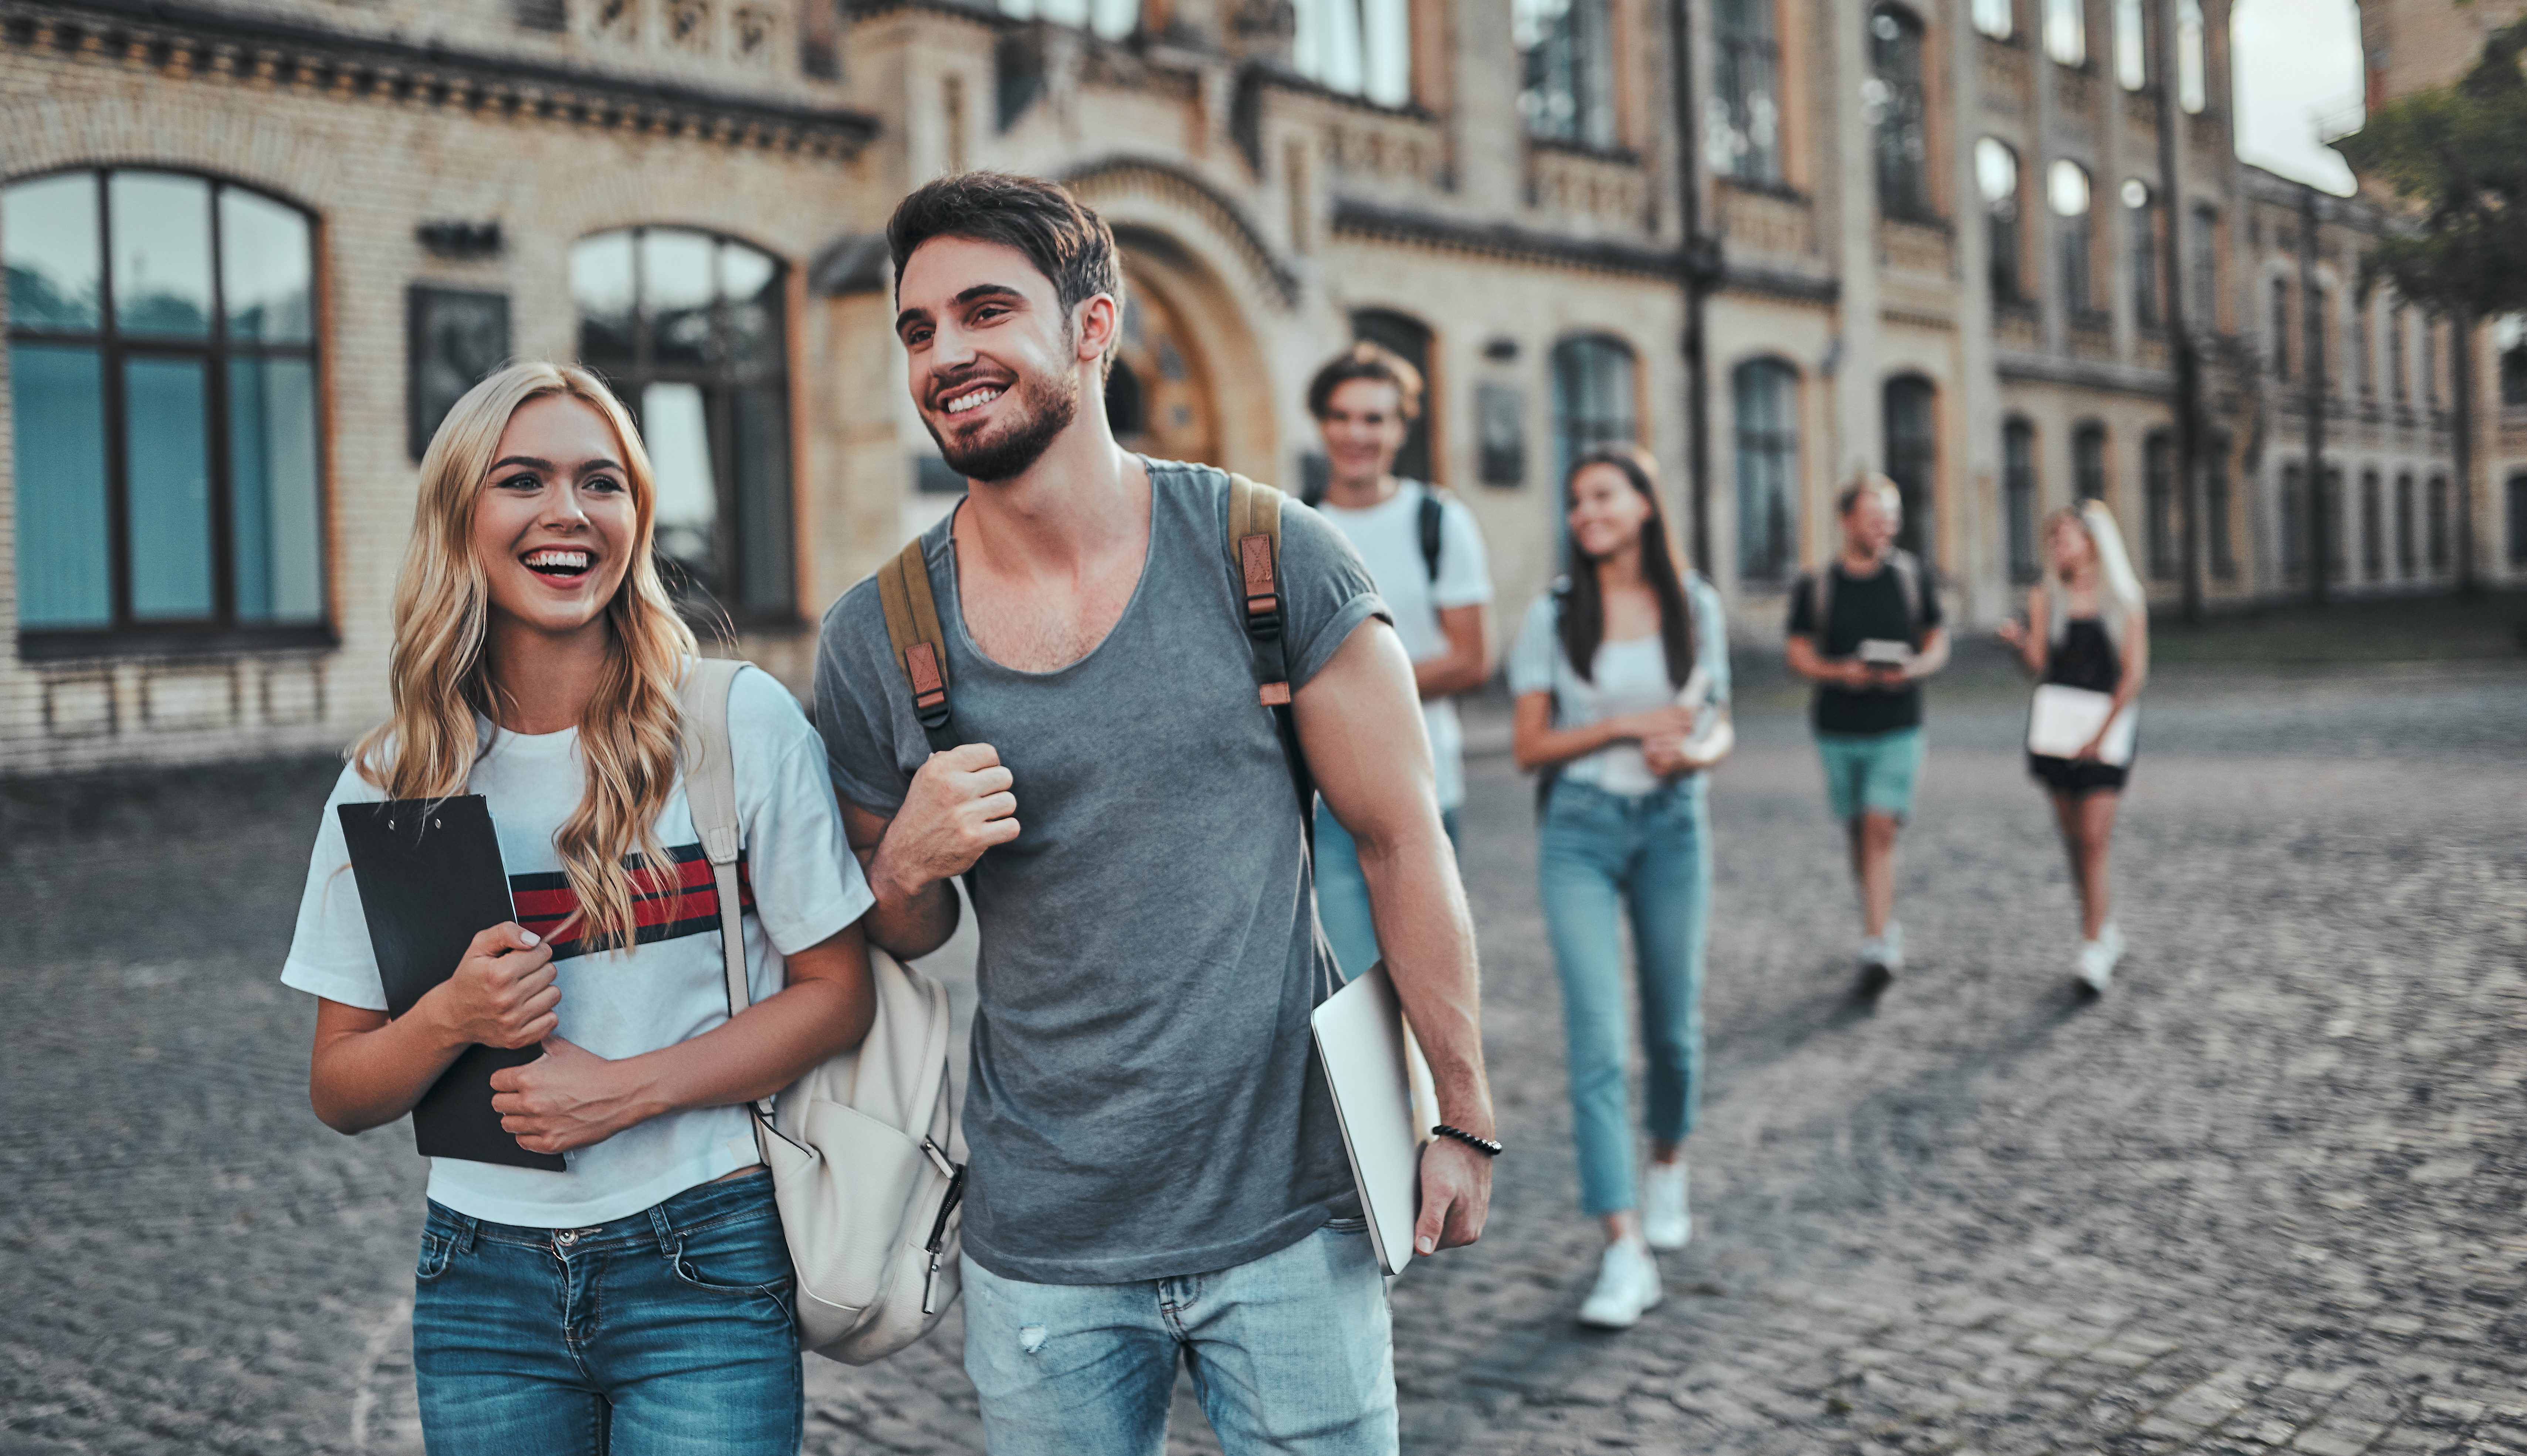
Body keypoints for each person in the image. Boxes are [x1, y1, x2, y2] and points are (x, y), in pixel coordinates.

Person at [814, 172, 1494, 1456]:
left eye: (983, 311)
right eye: (917, 330)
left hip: (1292, 1219)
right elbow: (898, 933)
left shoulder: (1267, 555)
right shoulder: (877, 637)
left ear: (1091, 327)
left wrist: (1459, 1110)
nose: (946, 354)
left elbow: (1403, 839)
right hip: (1046, 1250)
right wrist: (903, 862)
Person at [280, 362, 878, 1455]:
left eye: (600, 482)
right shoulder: (395, 775)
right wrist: (449, 1017)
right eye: (524, 480)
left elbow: (836, 995)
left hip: (705, 1255)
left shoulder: (733, 724)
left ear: (636, 516)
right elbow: (340, 1087)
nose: (568, 512)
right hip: (480, 1281)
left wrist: (623, 1093)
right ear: (462, 513)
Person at [1508, 446, 1732, 1332]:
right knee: (1598, 1039)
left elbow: (1715, 724)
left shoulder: (1694, 604)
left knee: (1673, 1030)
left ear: (1644, 502)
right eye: (1575, 500)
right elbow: (1529, 745)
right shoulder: (1555, 613)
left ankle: (1668, 1162)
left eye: (1603, 494)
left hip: (1675, 825)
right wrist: (1625, 725)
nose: (1586, 511)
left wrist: (1693, 750)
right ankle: (1621, 1244)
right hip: (1581, 835)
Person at [1303, 341, 1494, 978]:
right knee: (1357, 994)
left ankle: (1435, 1085)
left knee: (1428, 984)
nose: (1357, 433)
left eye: (1375, 418)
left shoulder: (1438, 521)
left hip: (1425, 792)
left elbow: (1470, 660)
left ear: (1400, 428)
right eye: (1342, 416)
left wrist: (1350, 691)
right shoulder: (1289, 526)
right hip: (1324, 802)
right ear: (1322, 424)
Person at [1785, 475, 1949, 982]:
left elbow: (1937, 639)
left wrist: (1915, 669)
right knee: (1858, 830)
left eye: (1893, 519)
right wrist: (1841, 672)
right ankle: (1878, 918)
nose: (1887, 528)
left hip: (1899, 723)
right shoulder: (1818, 586)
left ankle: (1879, 942)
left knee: (1881, 826)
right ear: (1846, 520)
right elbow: (1798, 653)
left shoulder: (1911, 577)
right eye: (1876, 518)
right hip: (1837, 727)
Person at [1996, 500, 2150, 992]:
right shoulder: (2047, 596)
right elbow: (2039, 663)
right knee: (2073, 844)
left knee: (2093, 839)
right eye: (2054, 537)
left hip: (2106, 732)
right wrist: (2020, 642)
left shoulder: (2125, 599)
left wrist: (2100, 736)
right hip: (2056, 733)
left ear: (2094, 541)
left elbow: (2133, 675)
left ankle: (2092, 949)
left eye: (2068, 534)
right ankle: (2102, 929)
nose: (2058, 543)